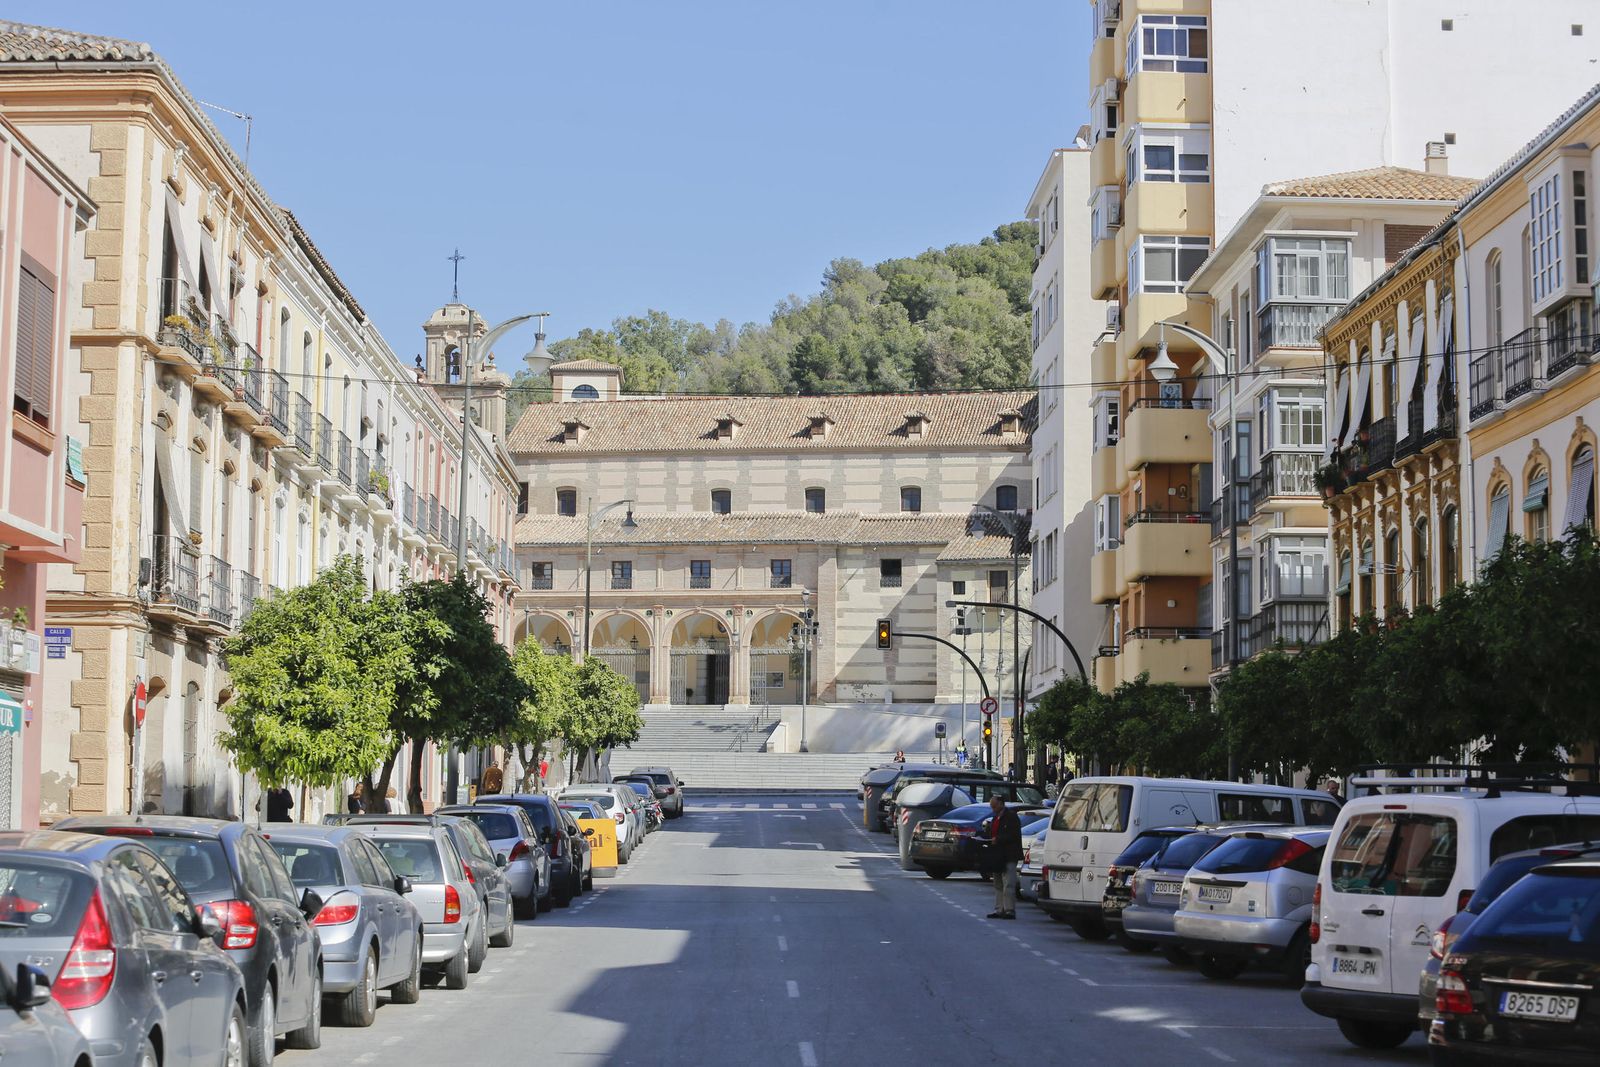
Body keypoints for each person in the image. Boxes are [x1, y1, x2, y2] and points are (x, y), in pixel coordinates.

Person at [986, 794, 1024, 920]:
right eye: (992, 806)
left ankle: (1009, 910)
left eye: (995, 806)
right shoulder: (995, 817)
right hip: (997, 855)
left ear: (1001, 804)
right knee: (997, 883)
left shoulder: (1011, 817)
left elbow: (1013, 835)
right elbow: (992, 832)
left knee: (1008, 883)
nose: (993, 809)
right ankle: (999, 909)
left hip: (1009, 855)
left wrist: (998, 839)